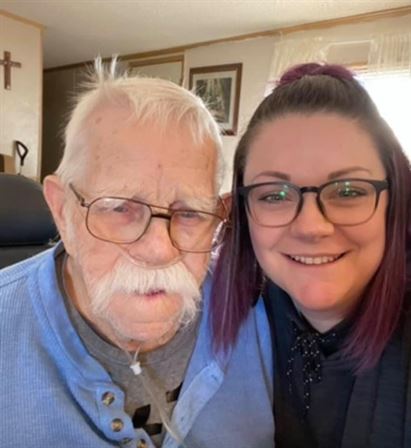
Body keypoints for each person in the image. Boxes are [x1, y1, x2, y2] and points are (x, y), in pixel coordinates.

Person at [0, 61, 274, 448]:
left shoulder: (261, 314)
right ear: (62, 210)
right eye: (119, 208)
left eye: (191, 213)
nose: (159, 249)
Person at [212, 62, 411, 448]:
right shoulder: (223, 316)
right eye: (274, 195)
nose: (310, 227)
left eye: (349, 191)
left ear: (395, 201)